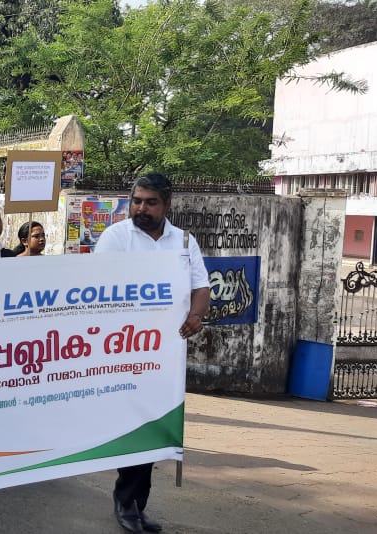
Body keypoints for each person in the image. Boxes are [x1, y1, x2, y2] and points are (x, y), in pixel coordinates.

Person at [94, 173, 209, 534]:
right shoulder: (116, 238)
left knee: (155, 426)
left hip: (165, 355)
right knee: (136, 424)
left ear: (167, 204)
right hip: (125, 350)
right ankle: (127, 501)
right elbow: (97, 288)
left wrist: (196, 316)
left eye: (150, 202)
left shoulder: (184, 241)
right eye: (137, 201)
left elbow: (201, 287)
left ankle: (135, 503)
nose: (142, 208)